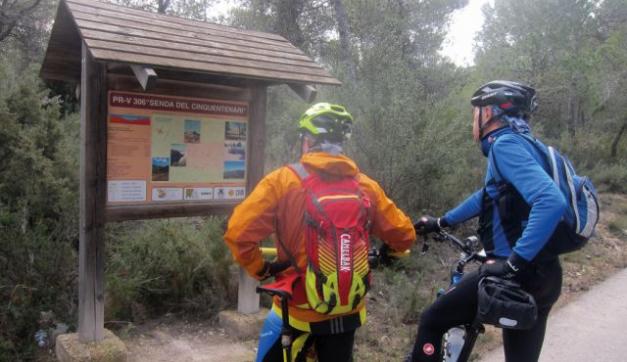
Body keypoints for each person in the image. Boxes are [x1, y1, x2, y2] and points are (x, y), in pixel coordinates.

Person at [224, 102, 416, 362]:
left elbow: (238, 233)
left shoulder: (283, 181)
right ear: (341, 145)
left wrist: (261, 269)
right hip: (348, 312)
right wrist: (387, 252)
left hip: (298, 310)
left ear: (307, 140)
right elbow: (405, 235)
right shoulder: (364, 186)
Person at [409, 80, 567, 362]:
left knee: (432, 320)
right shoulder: (529, 145)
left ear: (489, 113)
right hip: (547, 273)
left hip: (518, 274)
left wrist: (513, 263)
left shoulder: (504, 145)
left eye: (475, 113)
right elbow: (488, 195)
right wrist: (443, 221)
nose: (473, 120)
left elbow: (551, 201)